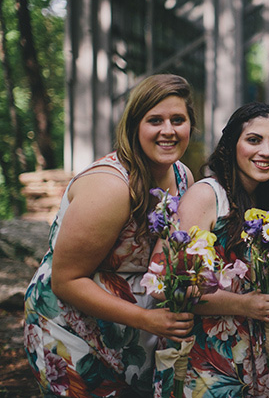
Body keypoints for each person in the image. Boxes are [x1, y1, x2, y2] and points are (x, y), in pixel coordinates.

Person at [23, 74, 197, 397]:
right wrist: (146, 319)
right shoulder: (112, 188)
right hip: (72, 332)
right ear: (134, 126)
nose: (168, 130)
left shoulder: (183, 177)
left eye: (178, 119)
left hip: (129, 334)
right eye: (155, 120)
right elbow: (67, 280)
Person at [152, 102, 269, 397]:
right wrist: (245, 305)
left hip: (250, 359)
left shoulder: (263, 205)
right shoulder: (206, 196)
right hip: (202, 361)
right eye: (254, 140)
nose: (266, 151)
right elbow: (168, 285)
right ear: (231, 145)